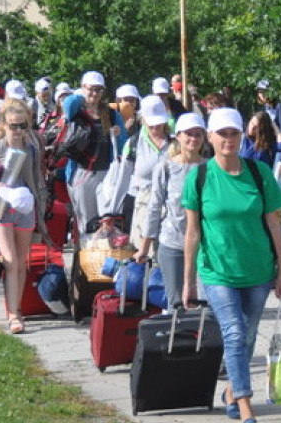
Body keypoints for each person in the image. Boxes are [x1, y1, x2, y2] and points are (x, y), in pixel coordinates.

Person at [181, 107, 281, 423]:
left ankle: (230, 390)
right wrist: (188, 282)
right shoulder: (198, 177)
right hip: (217, 272)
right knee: (233, 332)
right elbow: (193, 232)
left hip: (257, 269)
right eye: (222, 134)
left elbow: (274, 223)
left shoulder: (259, 173)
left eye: (234, 133)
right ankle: (245, 404)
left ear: (243, 136)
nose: (228, 139)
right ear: (209, 138)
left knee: (248, 334)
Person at [0, 100, 51, 334]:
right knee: (10, 260)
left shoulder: (31, 148)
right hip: (1, 208)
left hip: (25, 208)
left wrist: (41, 209)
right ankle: (13, 316)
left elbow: (37, 180)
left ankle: (17, 309)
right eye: (13, 126)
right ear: (4, 125)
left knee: (21, 263)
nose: (18, 131)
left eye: (22, 125)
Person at [136, 112, 207, 311]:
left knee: (203, 303)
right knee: (175, 303)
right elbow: (154, 207)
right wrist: (144, 246)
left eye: (198, 134)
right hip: (172, 243)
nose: (193, 139)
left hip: (204, 246)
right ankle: (174, 340)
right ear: (178, 136)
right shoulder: (165, 167)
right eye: (188, 134)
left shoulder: (210, 168)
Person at [65, 71, 126, 238]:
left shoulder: (111, 114)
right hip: (82, 174)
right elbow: (67, 104)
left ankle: (102, 261)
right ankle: (85, 259)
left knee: (106, 222)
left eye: (99, 90)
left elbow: (123, 145)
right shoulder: (76, 112)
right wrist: (81, 95)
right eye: (91, 89)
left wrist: (118, 134)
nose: (95, 94)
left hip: (106, 173)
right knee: (87, 223)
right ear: (83, 88)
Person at [126, 95, 172, 246]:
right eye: (151, 124)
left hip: (170, 209)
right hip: (142, 208)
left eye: (158, 123)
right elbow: (122, 177)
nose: (155, 128)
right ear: (142, 120)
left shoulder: (175, 144)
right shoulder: (133, 143)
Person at [255, 80, 281, 160]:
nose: (261, 94)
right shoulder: (265, 108)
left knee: (277, 170)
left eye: (264, 91)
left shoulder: (280, 107)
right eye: (259, 92)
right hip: (270, 145)